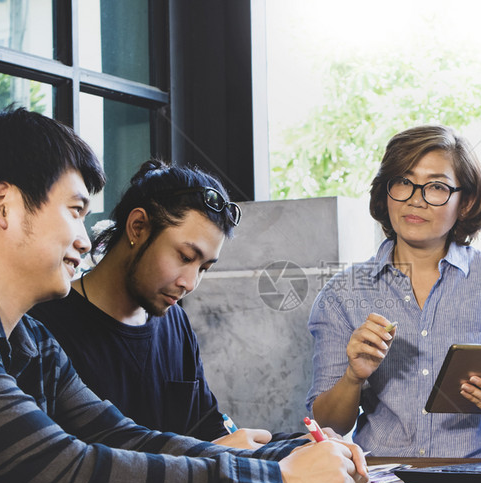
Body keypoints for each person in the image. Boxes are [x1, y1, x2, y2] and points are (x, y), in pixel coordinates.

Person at [0, 108, 368, 483]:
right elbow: (72, 470)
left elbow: (122, 436)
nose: (86, 241)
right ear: (3, 205)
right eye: (75, 211)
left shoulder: (29, 338)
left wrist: (291, 454)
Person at [30, 159, 300, 451]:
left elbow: (208, 430)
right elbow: (73, 463)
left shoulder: (175, 324)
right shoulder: (43, 324)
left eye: (204, 268)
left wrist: (296, 447)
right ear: (138, 227)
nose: (190, 283)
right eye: (185, 257)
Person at [306, 124, 481, 458]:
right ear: (385, 191)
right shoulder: (342, 293)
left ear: (466, 201)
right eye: (402, 182)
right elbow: (327, 425)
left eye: (436, 187)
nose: (416, 199)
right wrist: (353, 377)